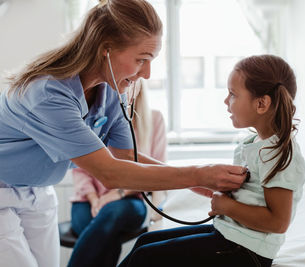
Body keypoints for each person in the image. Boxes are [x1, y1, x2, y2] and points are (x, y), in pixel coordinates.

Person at [0, 1, 246, 266]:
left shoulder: (111, 92)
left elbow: (127, 156)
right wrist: (199, 172)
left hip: (39, 191)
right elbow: (111, 172)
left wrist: (197, 183)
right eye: (141, 60)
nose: (148, 74)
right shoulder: (48, 93)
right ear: (106, 49)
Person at [118, 55, 305, 267]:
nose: (226, 101)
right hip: (230, 236)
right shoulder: (254, 144)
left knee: (146, 257)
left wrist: (227, 206)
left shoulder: (278, 152)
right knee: (144, 242)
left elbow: (278, 222)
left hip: (248, 252)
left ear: (261, 103)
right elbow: (249, 196)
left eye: (233, 94)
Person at [67, 78, 167, 267]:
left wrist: (116, 194)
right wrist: (96, 199)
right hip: (88, 200)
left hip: (130, 201)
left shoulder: (154, 119)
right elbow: (79, 169)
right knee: (105, 234)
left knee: (109, 218)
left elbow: (157, 170)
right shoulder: (92, 117)